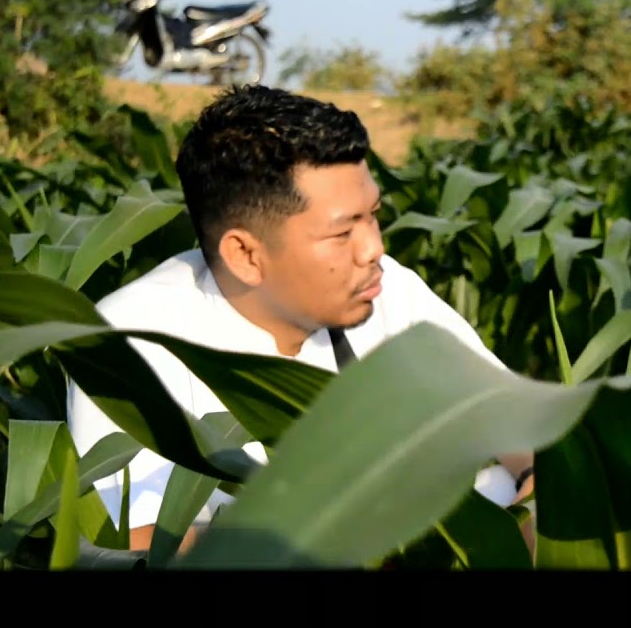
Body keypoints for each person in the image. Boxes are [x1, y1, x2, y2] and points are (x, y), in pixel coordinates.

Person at [66, 84, 535, 554]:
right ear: (246, 255)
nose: (374, 248)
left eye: (373, 215)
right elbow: (138, 542)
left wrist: (534, 501)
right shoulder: (131, 339)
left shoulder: (384, 286)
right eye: (342, 232)